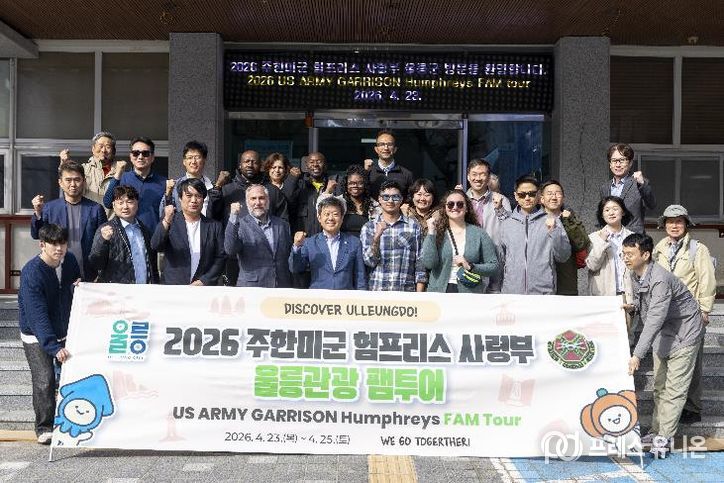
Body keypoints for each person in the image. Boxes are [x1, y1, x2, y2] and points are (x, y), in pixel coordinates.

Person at [624, 233, 705, 458]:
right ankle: (656, 430)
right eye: (624, 254)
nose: (626, 258)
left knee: (674, 389)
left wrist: (637, 354)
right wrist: (633, 307)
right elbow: (646, 303)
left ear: (645, 255)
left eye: (630, 254)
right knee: (659, 385)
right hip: (664, 334)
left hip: (685, 333)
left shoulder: (660, 278)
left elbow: (654, 318)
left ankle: (664, 438)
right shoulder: (635, 273)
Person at [652, 205, 717, 425]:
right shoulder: (658, 249)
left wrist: (704, 309)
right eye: (670, 221)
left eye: (679, 221)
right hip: (665, 314)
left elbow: (707, 280)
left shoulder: (698, 249)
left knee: (693, 362)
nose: (674, 225)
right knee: (666, 361)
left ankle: (692, 406)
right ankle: (669, 408)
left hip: (690, 316)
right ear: (664, 225)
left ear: (686, 224)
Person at [18, 224, 80, 445]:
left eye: (62, 243)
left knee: (71, 377)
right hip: (36, 335)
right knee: (44, 379)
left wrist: (78, 286)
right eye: (53, 244)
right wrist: (52, 346)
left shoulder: (69, 261)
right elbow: (37, 314)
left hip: (64, 329)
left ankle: (71, 421)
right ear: (42, 245)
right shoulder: (32, 272)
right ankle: (44, 427)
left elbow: (73, 289)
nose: (59, 248)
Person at [31, 161, 107, 281]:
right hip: (57, 269)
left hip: (88, 270)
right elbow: (36, 234)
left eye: (77, 180)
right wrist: (38, 212)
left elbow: (103, 243)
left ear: (84, 181)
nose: (73, 184)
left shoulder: (96, 209)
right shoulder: (50, 208)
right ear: (60, 183)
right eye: (68, 180)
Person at [498, 175, 571, 295]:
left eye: (531, 194)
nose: (527, 198)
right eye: (522, 194)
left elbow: (563, 256)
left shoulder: (552, 221)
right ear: (516, 196)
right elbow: (500, 260)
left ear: (538, 195)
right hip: (512, 291)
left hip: (543, 291)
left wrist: (554, 232)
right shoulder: (507, 224)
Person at [151, 178, 225, 286]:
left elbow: (221, 257)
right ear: (180, 198)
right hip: (174, 286)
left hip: (203, 288)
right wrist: (166, 221)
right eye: (189, 196)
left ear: (203, 199)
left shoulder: (214, 226)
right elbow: (156, 245)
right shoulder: (171, 221)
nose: (193, 200)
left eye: (198, 196)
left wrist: (204, 280)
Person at [422, 189, 498, 293]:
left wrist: (470, 266)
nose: (455, 207)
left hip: (469, 293)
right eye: (450, 204)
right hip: (440, 291)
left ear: (467, 208)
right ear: (445, 208)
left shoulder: (479, 234)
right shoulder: (437, 233)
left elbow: (493, 266)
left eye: (460, 204)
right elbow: (428, 263)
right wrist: (431, 232)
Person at [360, 180, 426, 292]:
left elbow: (420, 263)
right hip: (378, 291)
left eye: (395, 197)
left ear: (401, 199)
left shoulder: (413, 226)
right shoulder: (369, 227)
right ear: (379, 199)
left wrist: (419, 296)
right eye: (386, 197)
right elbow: (369, 262)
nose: (390, 201)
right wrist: (377, 237)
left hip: (405, 292)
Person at [289, 196, 366, 290]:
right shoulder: (310, 243)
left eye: (335, 214)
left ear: (342, 218)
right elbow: (295, 268)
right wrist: (297, 246)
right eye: (327, 214)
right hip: (319, 297)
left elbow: (360, 277)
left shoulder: (354, 243)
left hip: (345, 297)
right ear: (319, 218)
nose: (331, 218)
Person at [225, 184, 292, 288]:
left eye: (261, 198)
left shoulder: (282, 225)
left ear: (268, 200)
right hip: (252, 288)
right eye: (253, 198)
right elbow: (230, 249)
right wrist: (233, 216)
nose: (257, 202)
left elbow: (289, 256)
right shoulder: (239, 225)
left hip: (281, 286)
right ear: (247, 202)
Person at [459, 159, 510, 293]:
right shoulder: (461, 200)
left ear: (488, 177)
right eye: (474, 174)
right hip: (467, 257)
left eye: (482, 174)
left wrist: (499, 209)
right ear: (468, 176)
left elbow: (510, 229)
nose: (478, 178)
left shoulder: (501, 200)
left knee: (493, 295)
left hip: (494, 257)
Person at [90, 185, 158, 284]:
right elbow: (96, 263)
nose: (125, 207)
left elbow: (152, 263)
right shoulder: (105, 229)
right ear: (114, 205)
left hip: (144, 287)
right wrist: (103, 241)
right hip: (118, 289)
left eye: (129, 202)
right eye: (120, 203)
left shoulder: (144, 230)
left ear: (137, 204)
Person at [103, 137, 167, 236]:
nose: (140, 157)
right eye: (136, 153)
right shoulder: (122, 178)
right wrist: (118, 174)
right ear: (130, 156)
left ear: (152, 157)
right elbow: (107, 203)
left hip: (153, 238)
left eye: (145, 153)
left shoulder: (163, 183)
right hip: (125, 237)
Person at [540, 180, 590, 295]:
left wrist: (568, 221)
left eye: (558, 193)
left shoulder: (570, 219)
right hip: (541, 282)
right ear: (541, 199)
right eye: (549, 193)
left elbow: (582, 243)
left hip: (566, 278)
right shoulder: (535, 220)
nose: (554, 197)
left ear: (563, 198)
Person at [161, 140, 230, 218]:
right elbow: (163, 214)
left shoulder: (212, 186)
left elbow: (217, 215)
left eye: (197, 157)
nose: (193, 161)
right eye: (190, 157)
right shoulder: (174, 186)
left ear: (204, 160)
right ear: (184, 161)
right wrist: (168, 193)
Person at [599, 143, 656, 234]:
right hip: (611, 236)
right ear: (610, 164)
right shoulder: (605, 187)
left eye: (622, 160)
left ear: (630, 163)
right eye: (614, 160)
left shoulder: (639, 183)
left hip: (633, 236)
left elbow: (652, 205)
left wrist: (642, 184)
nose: (618, 164)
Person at [59, 131, 122, 209]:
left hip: (113, 217)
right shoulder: (83, 169)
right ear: (93, 149)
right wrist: (63, 163)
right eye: (100, 146)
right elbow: (66, 184)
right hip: (87, 215)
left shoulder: (121, 171)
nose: (103, 150)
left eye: (108, 147)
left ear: (114, 151)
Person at [586, 196, 634, 297]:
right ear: (602, 215)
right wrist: (602, 241)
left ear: (623, 212)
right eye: (607, 210)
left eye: (615, 209)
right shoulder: (593, 237)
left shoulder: (633, 237)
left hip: (629, 293)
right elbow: (592, 266)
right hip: (603, 295)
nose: (611, 213)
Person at [365, 130, 415, 198]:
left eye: (389, 144)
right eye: (382, 144)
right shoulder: (368, 172)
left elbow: (411, 198)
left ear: (395, 149)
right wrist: (365, 173)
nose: (386, 148)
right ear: (376, 149)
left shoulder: (406, 174)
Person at [339, 164, 376, 237]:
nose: (355, 186)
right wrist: (327, 192)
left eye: (360, 183)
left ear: (365, 184)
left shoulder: (374, 205)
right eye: (351, 183)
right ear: (346, 184)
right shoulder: (339, 203)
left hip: (367, 242)